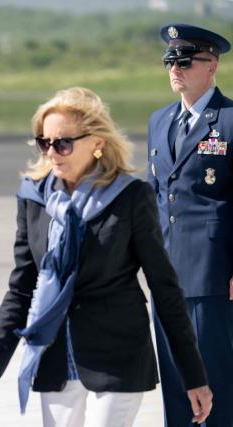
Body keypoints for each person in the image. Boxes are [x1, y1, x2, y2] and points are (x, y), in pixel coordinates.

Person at [0, 87, 212, 426]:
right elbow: (23, 286)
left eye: (63, 143)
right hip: (54, 354)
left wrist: (193, 375)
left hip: (118, 354)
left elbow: (165, 287)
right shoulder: (34, 199)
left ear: (97, 143)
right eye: (44, 143)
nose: (53, 152)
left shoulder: (130, 197)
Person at [148, 23, 233, 427]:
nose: (174, 68)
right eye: (170, 60)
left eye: (184, 61)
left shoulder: (230, 121)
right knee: (176, 384)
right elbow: (153, 199)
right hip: (166, 275)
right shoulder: (158, 121)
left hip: (212, 274)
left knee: (215, 384)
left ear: (211, 66)